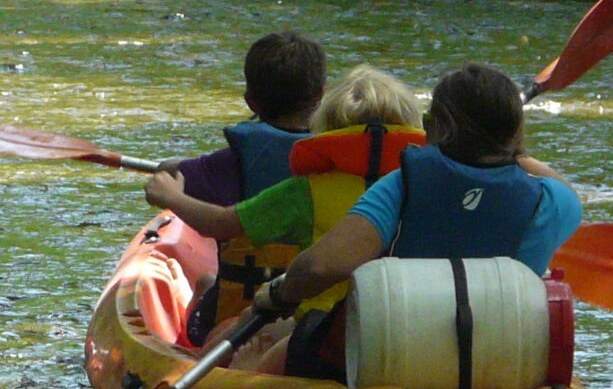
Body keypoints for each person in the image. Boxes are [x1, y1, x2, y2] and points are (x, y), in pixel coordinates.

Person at [242, 64, 581, 356]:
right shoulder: (551, 200)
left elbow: (320, 267)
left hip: (405, 355)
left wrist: (279, 295)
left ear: (431, 127)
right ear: (515, 133)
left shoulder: (403, 185)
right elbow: (560, 187)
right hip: (503, 359)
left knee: (302, 334)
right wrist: (511, 149)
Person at [147, 62, 426, 343]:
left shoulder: (306, 191)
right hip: (403, 327)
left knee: (226, 333)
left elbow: (221, 224)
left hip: (317, 327)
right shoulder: (421, 188)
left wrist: (171, 197)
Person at [156, 31, 328, 208]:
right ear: (322, 94)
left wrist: (165, 166)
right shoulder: (338, 154)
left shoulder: (231, 162)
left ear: (250, 102)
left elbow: (167, 173)